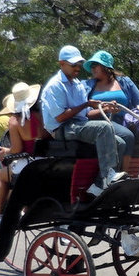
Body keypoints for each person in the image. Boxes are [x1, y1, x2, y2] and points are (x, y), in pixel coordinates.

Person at [40, 45, 127, 197]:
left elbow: (86, 114)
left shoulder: (78, 84)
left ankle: (99, 185)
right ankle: (108, 175)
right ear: (62, 64)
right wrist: (86, 103)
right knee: (104, 127)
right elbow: (60, 117)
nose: (77, 68)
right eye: (73, 65)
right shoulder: (54, 86)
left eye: (79, 65)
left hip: (78, 125)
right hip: (61, 129)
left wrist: (104, 108)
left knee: (120, 142)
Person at [83, 50, 139, 177]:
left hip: (127, 121)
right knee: (127, 135)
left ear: (106, 67)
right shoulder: (86, 85)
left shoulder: (125, 82)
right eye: (91, 66)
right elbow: (86, 110)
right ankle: (123, 174)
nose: (92, 68)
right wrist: (106, 109)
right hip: (104, 122)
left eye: (95, 65)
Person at [0, 82, 51, 207]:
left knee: (1, 174)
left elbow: (17, 149)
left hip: (28, 164)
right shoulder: (44, 116)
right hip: (48, 162)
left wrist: (6, 151)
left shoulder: (14, 121)